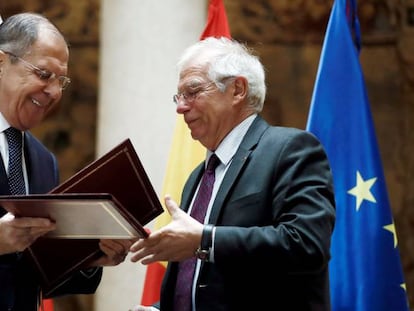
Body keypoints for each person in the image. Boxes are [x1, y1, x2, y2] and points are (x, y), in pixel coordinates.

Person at [129, 36, 336, 311]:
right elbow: (202, 282)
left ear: (237, 89)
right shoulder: (198, 176)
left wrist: (205, 239)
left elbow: (306, 244)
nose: (180, 107)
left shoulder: (290, 149)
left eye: (193, 91)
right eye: (179, 97)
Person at [0, 12, 131, 311]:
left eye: (62, 81)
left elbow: (37, 271)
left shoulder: (44, 161)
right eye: (44, 74)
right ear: (2, 63)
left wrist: (90, 257)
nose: (55, 92)